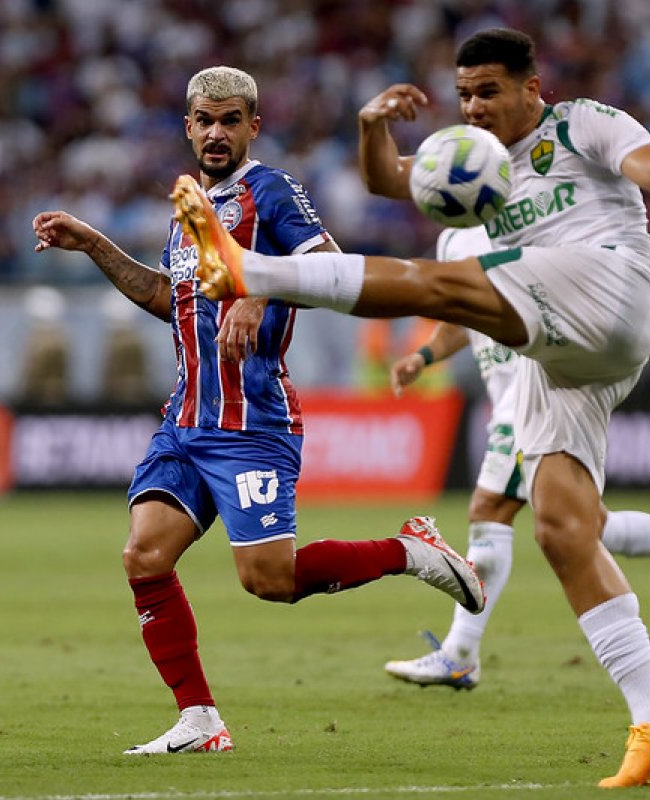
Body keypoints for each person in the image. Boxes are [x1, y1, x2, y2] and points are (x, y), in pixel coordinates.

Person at [172, 29, 650, 788]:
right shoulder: (472, 160)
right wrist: (371, 126)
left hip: (609, 287)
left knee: (443, 281)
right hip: (563, 356)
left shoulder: (580, 123)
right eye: (463, 95)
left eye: (488, 92)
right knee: (563, 528)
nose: (473, 107)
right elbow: (389, 179)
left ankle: (248, 269)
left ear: (531, 87)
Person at [31, 66, 484, 757]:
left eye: (230, 121)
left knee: (269, 580)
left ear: (253, 127)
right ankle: (200, 721)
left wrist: (261, 292)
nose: (216, 133)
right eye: (205, 121)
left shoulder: (269, 191)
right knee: (144, 555)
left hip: (252, 423)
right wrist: (94, 243)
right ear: (188, 127)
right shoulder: (191, 211)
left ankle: (410, 550)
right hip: (186, 421)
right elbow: (168, 299)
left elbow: (331, 266)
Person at [382, 225, 650, 691]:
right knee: (590, 526)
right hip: (505, 401)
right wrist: (424, 356)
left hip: (536, 398)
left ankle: (460, 654)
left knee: (489, 509)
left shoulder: (530, 221)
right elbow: (461, 315)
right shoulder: (453, 240)